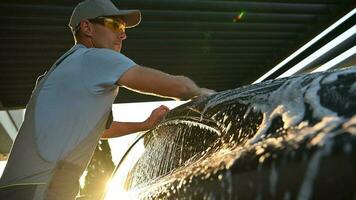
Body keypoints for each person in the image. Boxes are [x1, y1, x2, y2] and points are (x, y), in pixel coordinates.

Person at [0, 0, 215, 199]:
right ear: (87, 28)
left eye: (123, 29)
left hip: (17, 188)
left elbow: (99, 131)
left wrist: (143, 125)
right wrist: (203, 92)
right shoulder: (92, 58)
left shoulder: (62, 69)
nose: (123, 35)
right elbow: (179, 87)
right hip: (39, 189)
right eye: (114, 25)